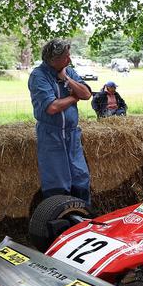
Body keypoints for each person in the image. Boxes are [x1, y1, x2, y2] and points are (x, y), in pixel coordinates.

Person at [28, 39, 93, 205]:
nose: (69, 60)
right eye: (66, 57)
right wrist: (73, 97)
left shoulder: (68, 72)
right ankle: (60, 221)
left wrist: (67, 80)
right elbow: (52, 107)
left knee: (80, 177)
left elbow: (86, 94)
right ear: (53, 59)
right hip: (52, 135)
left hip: (72, 133)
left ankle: (82, 216)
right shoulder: (38, 76)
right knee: (57, 181)